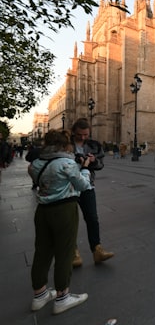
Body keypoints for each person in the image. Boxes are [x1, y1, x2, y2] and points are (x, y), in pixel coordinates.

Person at [28, 129, 92, 314]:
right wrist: (85, 168)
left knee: (42, 251)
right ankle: (62, 296)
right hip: (64, 210)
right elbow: (84, 185)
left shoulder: (35, 164)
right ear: (64, 145)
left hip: (42, 211)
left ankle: (39, 295)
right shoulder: (67, 163)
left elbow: (43, 182)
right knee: (65, 252)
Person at [70, 118, 113, 267]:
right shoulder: (65, 145)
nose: (83, 138)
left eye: (86, 135)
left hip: (87, 184)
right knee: (70, 221)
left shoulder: (93, 145)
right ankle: (73, 252)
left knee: (92, 218)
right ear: (73, 132)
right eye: (79, 135)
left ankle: (97, 250)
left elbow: (100, 165)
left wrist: (93, 161)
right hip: (68, 187)